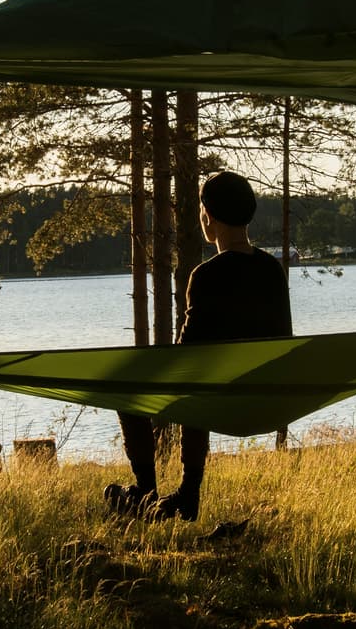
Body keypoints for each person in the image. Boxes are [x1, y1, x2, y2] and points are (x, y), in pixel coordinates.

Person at [107, 170, 292, 522]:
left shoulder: (206, 275)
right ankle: (186, 493)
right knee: (203, 381)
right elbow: (283, 339)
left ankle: (147, 493)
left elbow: (187, 354)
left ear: (207, 215)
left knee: (128, 392)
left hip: (216, 401)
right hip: (268, 401)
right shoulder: (272, 270)